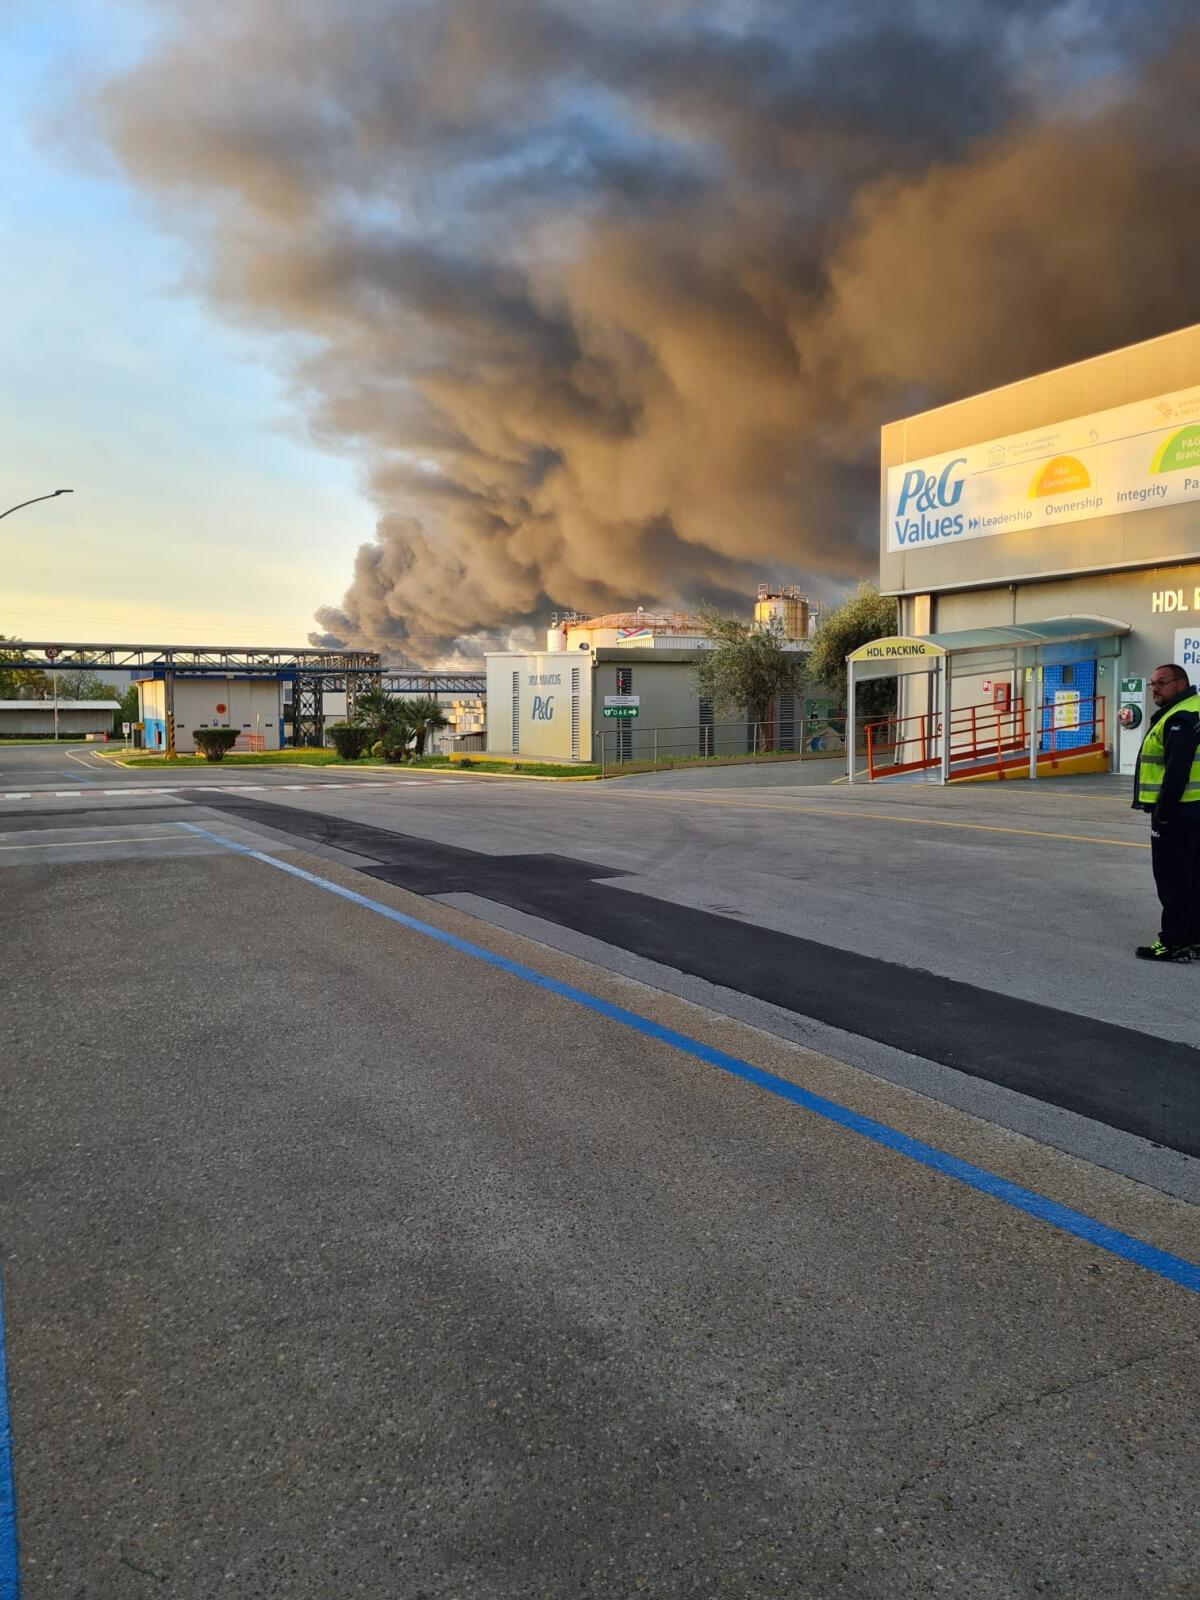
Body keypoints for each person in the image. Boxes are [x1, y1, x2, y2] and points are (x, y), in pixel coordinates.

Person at [1131, 663, 1200, 961]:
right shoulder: (1193, 710)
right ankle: (1194, 938)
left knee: (1172, 878)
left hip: (1178, 813)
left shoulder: (1178, 718)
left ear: (1181, 684)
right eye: (1152, 684)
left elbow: (1176, 772)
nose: (1155, 688)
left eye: (1162, 682)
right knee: (1193, 876)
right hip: (1194, 811)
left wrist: (1163, 813)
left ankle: (1173, 942)